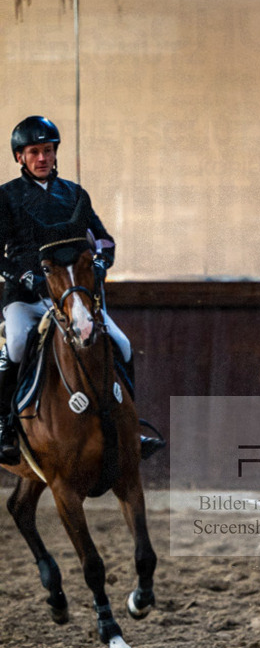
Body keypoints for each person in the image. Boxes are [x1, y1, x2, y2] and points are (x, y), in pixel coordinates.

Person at [0, 115, 164, 464]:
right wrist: (22, 277)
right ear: (20, 157)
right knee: (15, 344)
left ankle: (130, 425)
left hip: (73, 296)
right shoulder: (6, 197)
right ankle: (5, 426)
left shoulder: (75, 194)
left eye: (47, 150)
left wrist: (102, 261)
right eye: (34, 152)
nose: (42, 158)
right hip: (27, 298)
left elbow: (102, 238)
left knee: (122, 343)